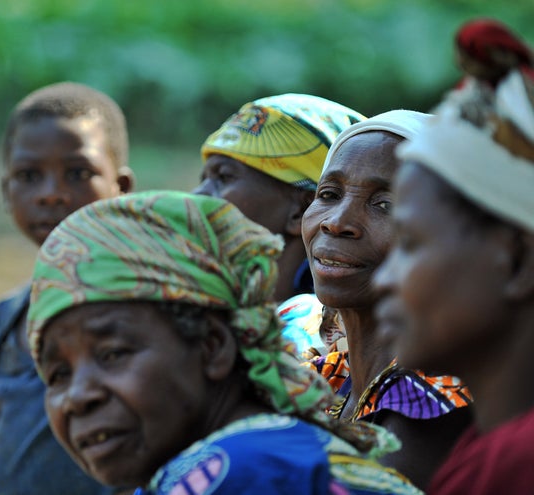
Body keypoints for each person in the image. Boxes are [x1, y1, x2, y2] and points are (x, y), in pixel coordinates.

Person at [25, 190, 423, 495]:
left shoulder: (240, 469)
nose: (78, 396)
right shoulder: (270, 453)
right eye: (57, 374)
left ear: (213, 345)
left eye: (112, 354)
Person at [373, 19, 534, 495]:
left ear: (519, 262)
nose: (384, 279)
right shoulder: (487, 456)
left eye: (409, 244)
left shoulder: (516, 466)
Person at [0, 82, 134, 495]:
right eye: (28, 176)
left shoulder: (148, 313)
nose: (51, 194)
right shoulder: (5, 322)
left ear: (123, 188)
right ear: (6, 193)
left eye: (79, 173)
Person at [300, 110, 473, 490]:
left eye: (387, 205)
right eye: (329, 194)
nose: (337, 221)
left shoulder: (433, 393)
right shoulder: (330, 378)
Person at [194, 93, 365, 302]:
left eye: (224, 176)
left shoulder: (319, 331)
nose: (198, 194)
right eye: (204, 179)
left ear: (302, 209)